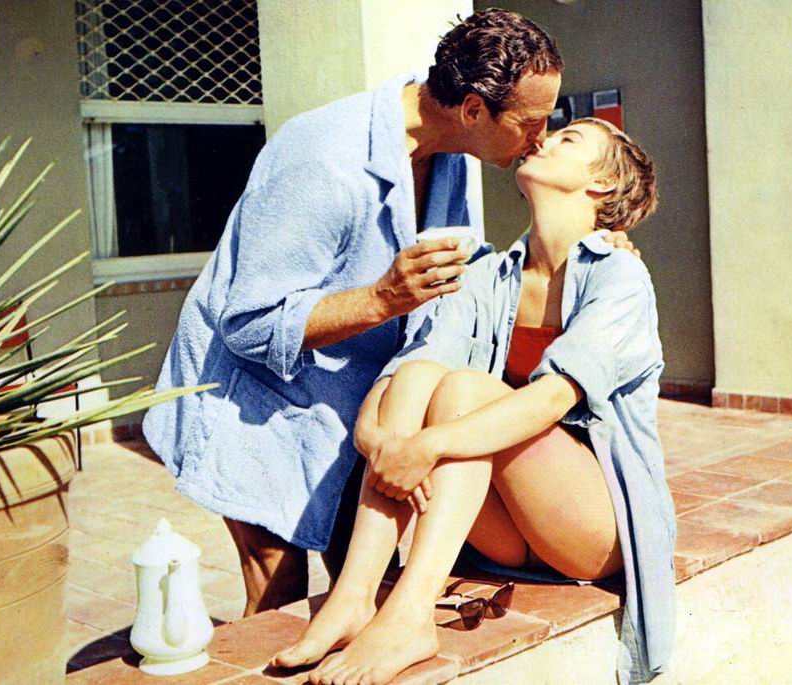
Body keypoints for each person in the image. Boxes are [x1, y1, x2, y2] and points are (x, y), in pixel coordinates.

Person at [142, 9, 634, 616]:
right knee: (279, 591)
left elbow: (463, 275)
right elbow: (248, 322)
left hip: (355, 404)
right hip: (255, 403)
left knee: (365, 580)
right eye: (530, 123)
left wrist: (592, 248)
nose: (539, 139)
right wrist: (382, 299)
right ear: (474, 109)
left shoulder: (452, 152)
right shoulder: (324, 159)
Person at [274, 118, 675, 685]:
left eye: (569, 140)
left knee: (463, 390)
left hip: (590, 528)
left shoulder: (620, 277)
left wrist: (427, 446)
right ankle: (354, 596)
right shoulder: (489, 275)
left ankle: (411, 616)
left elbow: (551, 399)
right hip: (507, 535)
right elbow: (408, 368)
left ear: (601, 184)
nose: (545, 138)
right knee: (420, 376)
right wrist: (377, 439)